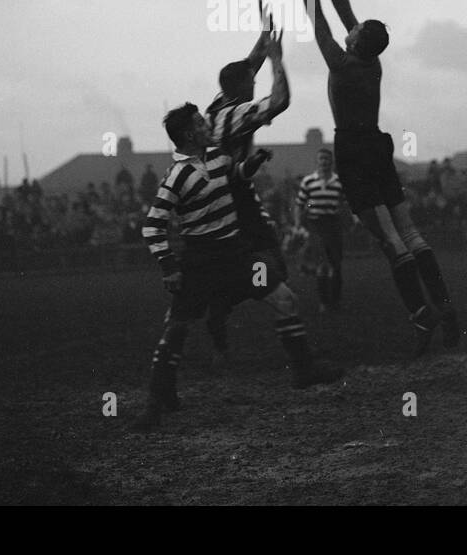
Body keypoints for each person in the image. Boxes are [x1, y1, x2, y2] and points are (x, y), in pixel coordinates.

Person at [278, 0, 461, 355]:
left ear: (357, 42)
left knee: (390, 241)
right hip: (378, 145)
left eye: (356, 30)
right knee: (410, 232)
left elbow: (318, 16)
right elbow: (344, 11)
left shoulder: (342, 64)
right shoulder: (372, 63)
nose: (351, 28)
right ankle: (446, 310)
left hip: (354, 151)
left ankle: (421, 316)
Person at [135, 103, 341, 431]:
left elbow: (235, 177)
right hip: (199, 263)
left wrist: (252, 164)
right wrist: (169, 266)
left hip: (235, 256)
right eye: (201, 123)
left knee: (286, 299)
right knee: (175, 330)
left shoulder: (217, 156)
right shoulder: (176, 177)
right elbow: (152, 226)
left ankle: (303, 369)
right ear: (189, 134)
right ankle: (154, 406)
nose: (208, 127)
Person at [202, 11, 290, 359]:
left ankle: (223, 303)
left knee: (262, 262)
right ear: (244, 89)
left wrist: (264, 38)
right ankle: (229, 300)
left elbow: (244, 70)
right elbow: (279, 101)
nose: (254, 83)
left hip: (222, 191)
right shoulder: (235, 114)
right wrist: (278, 60)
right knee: (274, 267)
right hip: (235, 193)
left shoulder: (218, 103)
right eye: (251, 83)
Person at [297, 149, 346, 311]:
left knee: (335, 264)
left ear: (331, 162)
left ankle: (335, 300)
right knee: (322, 263)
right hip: (316, 224)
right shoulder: (309, 181)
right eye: (321, 159)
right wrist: (298, 224)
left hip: (333, 224)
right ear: (317, 162)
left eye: (327, 159)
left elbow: (347, 203)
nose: (324, 162)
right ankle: (324, 302)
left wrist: (353, 219)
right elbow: (300, 204)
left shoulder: (339, 182)